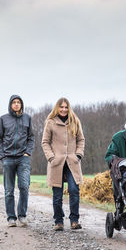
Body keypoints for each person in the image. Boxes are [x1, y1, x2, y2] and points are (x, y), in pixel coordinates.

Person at [41, 98, 85, 231]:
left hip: (72, 161)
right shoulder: (50, 122)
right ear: (57, 108)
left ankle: (74, 220)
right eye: (61, 107)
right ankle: (58, 221)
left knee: (74, 190)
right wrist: (51, 157)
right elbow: (45, 142)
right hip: (56, 162)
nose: (64, 109)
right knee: (57, 195)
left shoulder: (75, 121)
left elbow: (81, 139)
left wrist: (78, 154)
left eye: (66, 107)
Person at [0, 95, 35, 227]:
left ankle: (22, 215)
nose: (16, 104)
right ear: (10, 105)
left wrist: (27, 152)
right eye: (14, 102)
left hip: (22, 158)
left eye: (19, 102)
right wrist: (2, 155)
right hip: (8, 158)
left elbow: (31, 137)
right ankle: (11, 218)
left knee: (24, 187)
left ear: (21, 105)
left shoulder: (27, 118)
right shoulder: (3, 119)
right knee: (9, 190)